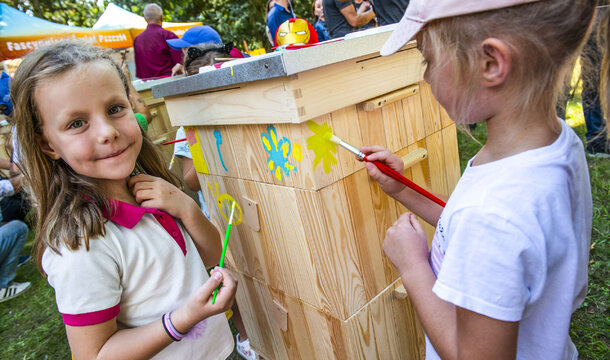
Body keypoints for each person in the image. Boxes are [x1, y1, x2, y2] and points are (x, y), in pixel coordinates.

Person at [366, 0, 594, 359]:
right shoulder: (557, 147)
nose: (426, 76)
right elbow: (471, 229)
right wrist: (401, 188)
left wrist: (413, 268)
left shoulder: (492, 216)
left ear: (490, 64)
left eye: (428, 59)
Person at [11, 41, 236, 359]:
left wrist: (186, 208)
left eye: (115, 109)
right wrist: (183, 320)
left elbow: (213, 252)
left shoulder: (152, 191)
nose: (107, 132)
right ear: (48, 144)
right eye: (77, 123)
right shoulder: (81, 244)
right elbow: (95, 354)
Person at [175, 44, 258, 360]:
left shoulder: (243, 113)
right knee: (231, 279)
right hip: (219, 221)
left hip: (251, 206)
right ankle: (246, 337)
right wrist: (200, 140)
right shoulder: (188, 127)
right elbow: (190, 180)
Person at [133, 4, 184, 80]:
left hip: (147, 86)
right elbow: (180, 64)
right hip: (169, 82)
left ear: (145, 19)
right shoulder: (168, 36)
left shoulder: (137, 40)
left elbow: (139, 72)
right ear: (161, 17)